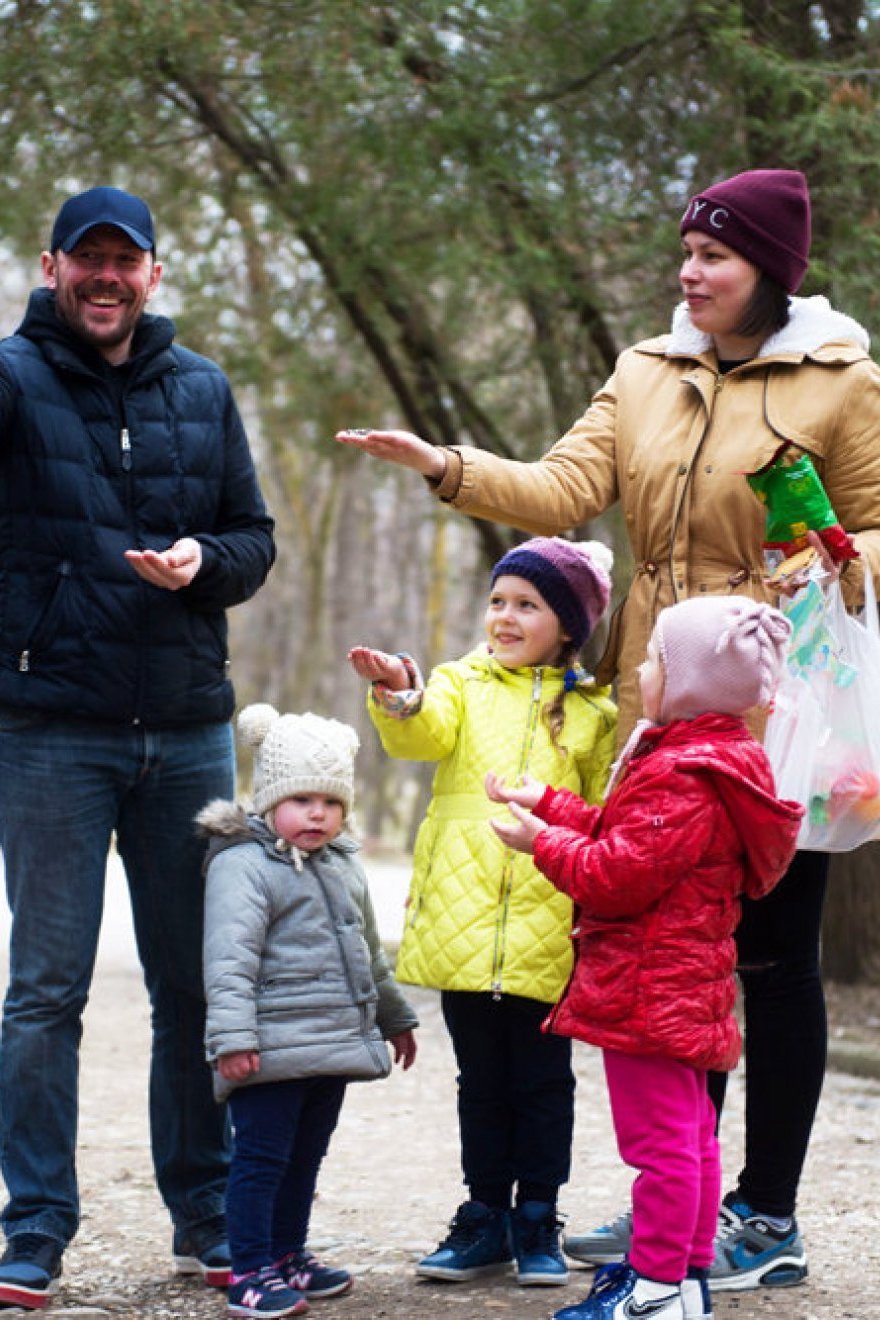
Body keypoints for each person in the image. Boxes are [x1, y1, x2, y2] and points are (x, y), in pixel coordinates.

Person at [335, 166, 880, 1290]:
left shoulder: (841, 383)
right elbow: (560, 486)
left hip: (775, 708)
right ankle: (677, 1208)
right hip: (658, 702)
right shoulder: (645, 371)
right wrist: (445, 466)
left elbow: (877, 533)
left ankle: (764, 1216)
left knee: (769, 962)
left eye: (712, 256)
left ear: (770, 268)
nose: (688, 273)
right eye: (684, 254)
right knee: (681, 962)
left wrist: (829, 560)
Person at [0, 186, 276, 1309]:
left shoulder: (201, 388)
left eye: (128, 261)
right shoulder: (11, 379)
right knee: (43, 992)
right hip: (50, 733)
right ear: (56, 268)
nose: (107, 279)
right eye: (88, 260)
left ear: (154, 274)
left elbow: (253, 541)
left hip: (187, 731)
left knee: (197, 993)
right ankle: (33, 1232)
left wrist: (201, 565)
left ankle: (207, 1219)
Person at [488, 596, 804, 1320]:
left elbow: (614, 876)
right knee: (691, 1138)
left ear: (691, 682)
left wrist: (540, 844)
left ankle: (655, 1289)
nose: (640, 667)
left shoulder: (680, 772)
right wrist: (552, 803)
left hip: (646, 988)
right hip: (682, 983)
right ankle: (685, 1280)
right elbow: (631, 835)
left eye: (656, 659)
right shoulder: (712, 760)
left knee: (661, 1147)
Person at [348, 536, 618, 1289]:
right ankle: (483, 1215)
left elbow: (602, 815)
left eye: (527, 605)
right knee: (480, 1080)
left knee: (542, 1080)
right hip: (464, 922)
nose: (504, 616)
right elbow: (419, 732)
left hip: (548, 925)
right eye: (498, 600)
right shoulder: (460, 682)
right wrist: (399, 693)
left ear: (567, 623)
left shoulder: (594, 710)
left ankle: (537, 1214)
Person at [199, 705, 418, 1318]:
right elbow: (228, 960)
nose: (317, 812)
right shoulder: (243, 866)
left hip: (330, 1044)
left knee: (305, 1155)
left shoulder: (342, 863)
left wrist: (394, 1016)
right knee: (262, 1158)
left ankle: (288, 1254)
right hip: (267, 1047)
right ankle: (248, 1269)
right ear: (270, 799)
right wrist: (234, 1037)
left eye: (330, 800)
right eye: (301, 799)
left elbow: (366, 951)